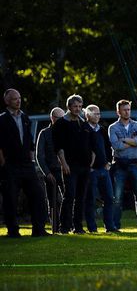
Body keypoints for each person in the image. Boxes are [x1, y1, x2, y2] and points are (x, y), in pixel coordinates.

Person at [0, 89, 50, 237]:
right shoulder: (2, 120)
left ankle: (39, 229)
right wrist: (2, 162)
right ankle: (13, 230)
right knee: (11, 198)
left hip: (26, 164)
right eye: (15, 99)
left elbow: (29, 140)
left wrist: (31, 157)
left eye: (19, 98)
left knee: (38, 195)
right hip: (10, 165)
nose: (18, 101)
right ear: (7, 101)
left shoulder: (25, 118)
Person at [53, 94, 93, 234]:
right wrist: (64, 164)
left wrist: (91, 162)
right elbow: (58, 147)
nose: (78, 109)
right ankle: (64, 226)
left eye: (80, 106)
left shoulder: (84, 123)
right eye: (75, 106)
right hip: (70, 166)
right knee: (69, 195)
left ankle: (78, 227)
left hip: (84, 166)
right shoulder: (61, 124)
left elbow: (91, 144)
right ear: (69, 107)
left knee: (81, 197)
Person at [108, 99, 137, 229]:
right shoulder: (113, 127)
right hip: (120, 165)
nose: (127, 112)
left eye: (128, 109)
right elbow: (116, 145)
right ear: (118, 112)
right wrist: (133, 141)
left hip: (135, 164)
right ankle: (115, 224)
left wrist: (125, 140)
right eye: (124, 110)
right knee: (117, 197)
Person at [84, 105, 118, 233]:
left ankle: (110, 226)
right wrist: (89, 166)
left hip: (104, 170)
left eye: (98, 114)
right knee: (91, 199)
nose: (97, 116)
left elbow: (108, 147)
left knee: (109, 198)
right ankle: (92, 228)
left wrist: (109, 162)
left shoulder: (102, 130)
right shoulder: (84, 129)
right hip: (92, 171)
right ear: (87, 115)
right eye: (94, 114)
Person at [35, 107, 65, 232]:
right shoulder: (45, 133)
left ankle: (67, 225)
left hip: (65, 171)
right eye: (59, 118)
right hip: (51, 171)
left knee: (68, 199)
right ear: (52, 118)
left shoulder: (67, 132)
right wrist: (46, 173)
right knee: (52, 201)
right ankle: (55, 227)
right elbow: (39, 155)